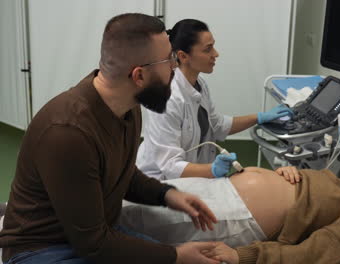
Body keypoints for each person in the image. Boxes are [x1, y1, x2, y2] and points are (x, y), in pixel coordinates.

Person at [0, 13, 221, 264]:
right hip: (41, 249)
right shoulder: (67, 133)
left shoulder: (128, 106)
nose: (174, 67)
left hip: (90, 237)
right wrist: (176, 256)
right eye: (168, 60)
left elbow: (122, 173)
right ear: (139, 76)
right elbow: (94, 245)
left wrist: (168, 195)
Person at [119, 165, 340, 264]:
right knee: (125, 201)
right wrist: (286, 170)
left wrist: (244, 256)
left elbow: (305, 255)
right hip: (215, 188)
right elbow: (296, 182)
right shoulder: (336, 181)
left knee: (129, 221)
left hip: (232, 216)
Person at [136, 18, 293, 180]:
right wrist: (213, 169)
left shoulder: (199, 84)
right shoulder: (168, 100)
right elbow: (169, 165)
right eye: (208, 49)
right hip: (158, 182)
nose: (216, 54)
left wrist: (259, 117)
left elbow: (217, 125)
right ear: (183, 56)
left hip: (189, 178)